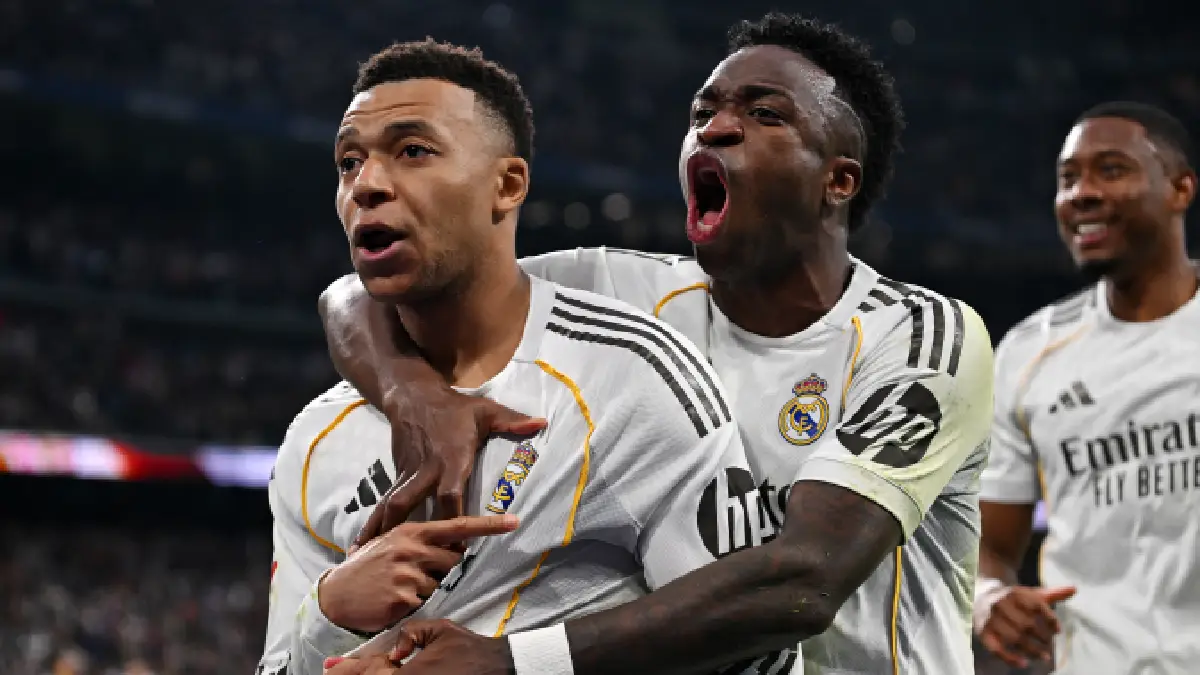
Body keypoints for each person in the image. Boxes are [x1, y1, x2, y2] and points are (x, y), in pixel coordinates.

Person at [319, 13, 994, 675]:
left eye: (764, 115)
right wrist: (414, 391)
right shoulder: (617, 291)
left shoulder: (920, 337)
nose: (716, 127)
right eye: (703, 112)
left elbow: (803, 580)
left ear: (836, 181)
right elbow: (359, 293)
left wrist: (515, 661)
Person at [256, 39, 768, 675]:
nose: (367, 184)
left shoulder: (632, 377)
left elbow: (753, 653)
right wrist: (328, 613)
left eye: (412, 151)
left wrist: (521, 665)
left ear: (507, 184)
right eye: (348, 162)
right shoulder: (314, 440)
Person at [974, 101, 1200, 673]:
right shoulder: (1027, 353)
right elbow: (991, 548)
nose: (1082, 193)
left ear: (1180, 189)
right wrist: (990, 598)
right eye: (1068, 179)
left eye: (1112, 170)